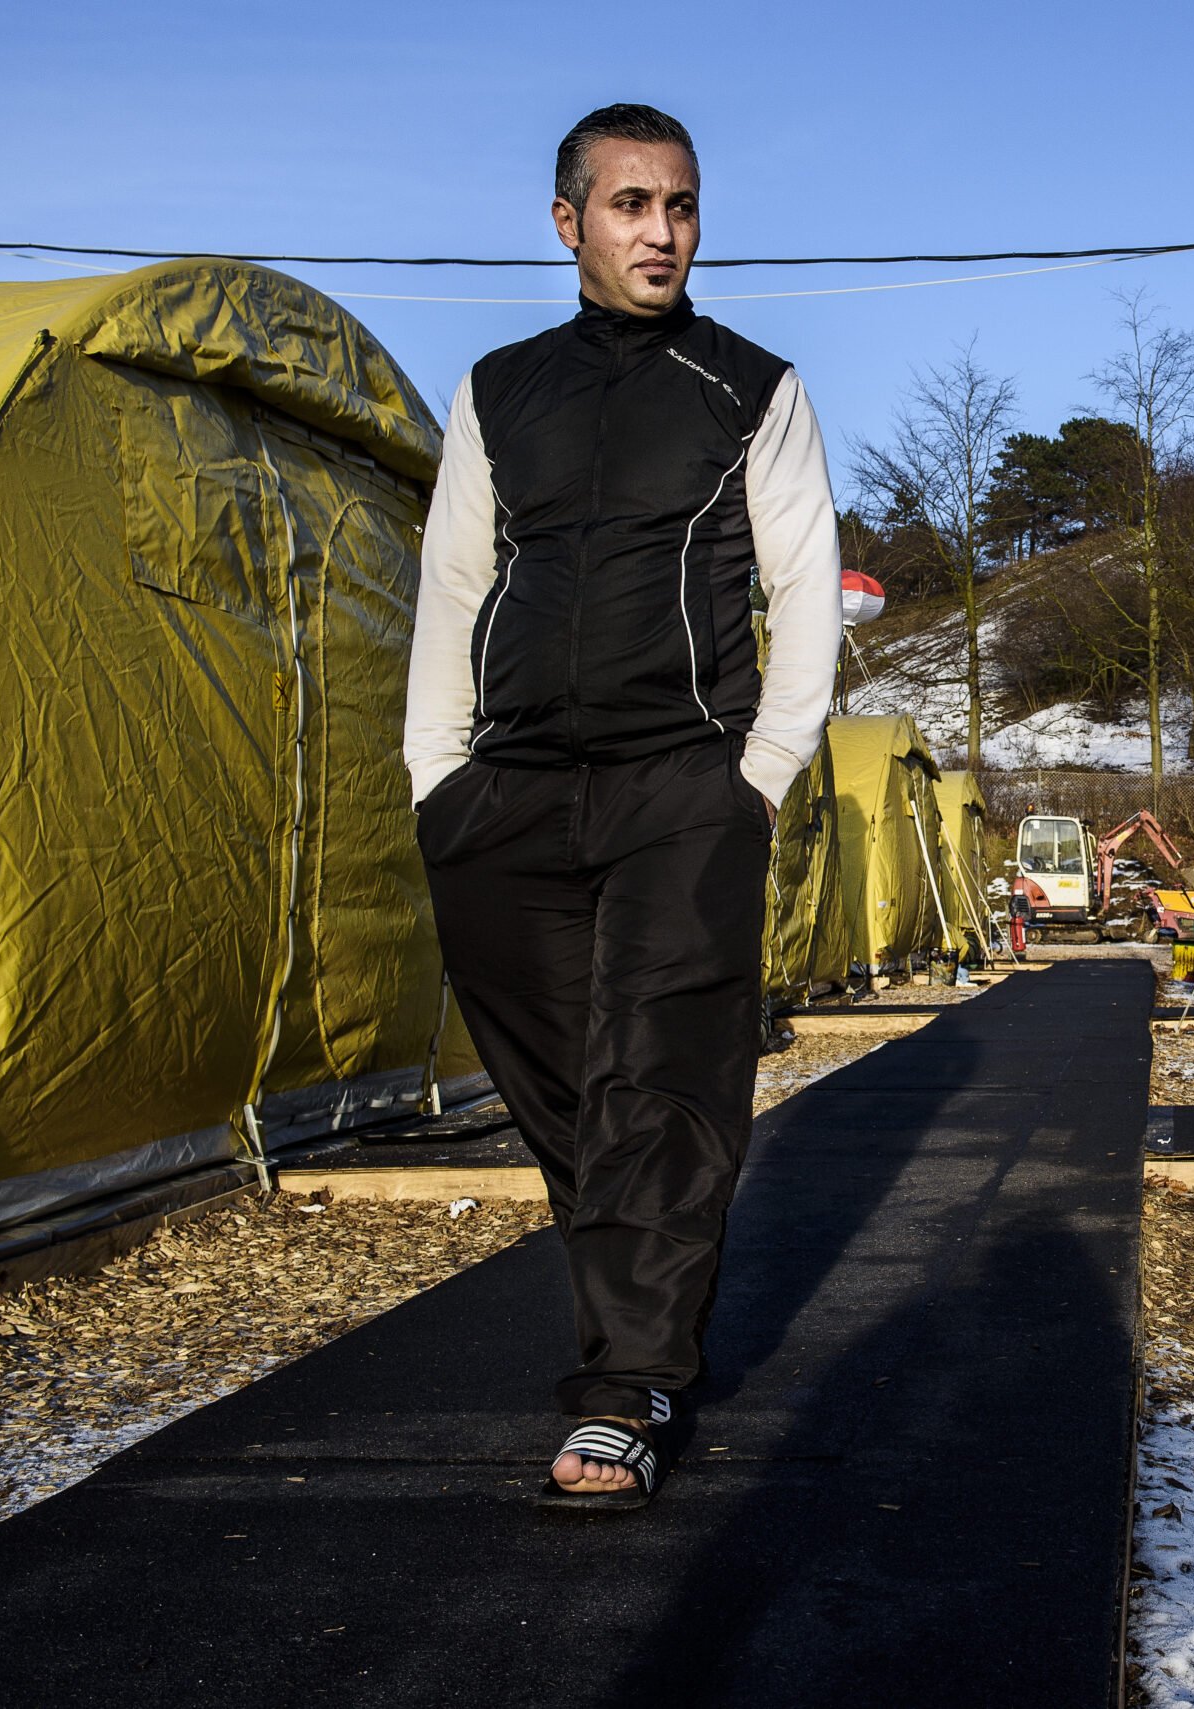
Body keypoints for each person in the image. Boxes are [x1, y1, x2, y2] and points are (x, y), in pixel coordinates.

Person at [402, 103, 842, 1510]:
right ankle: (635, 1291)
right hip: (508, 795)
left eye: (683, 206)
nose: (662, 231)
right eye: (633, 204)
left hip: (683, 785)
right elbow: (456, 589)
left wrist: (757, 780)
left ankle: (629, 1381)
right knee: (568, 1084)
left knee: (660, 1073)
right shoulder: (498, 391)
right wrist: (438, 777)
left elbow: (803, 593)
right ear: (569, 223)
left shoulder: (752, 389)